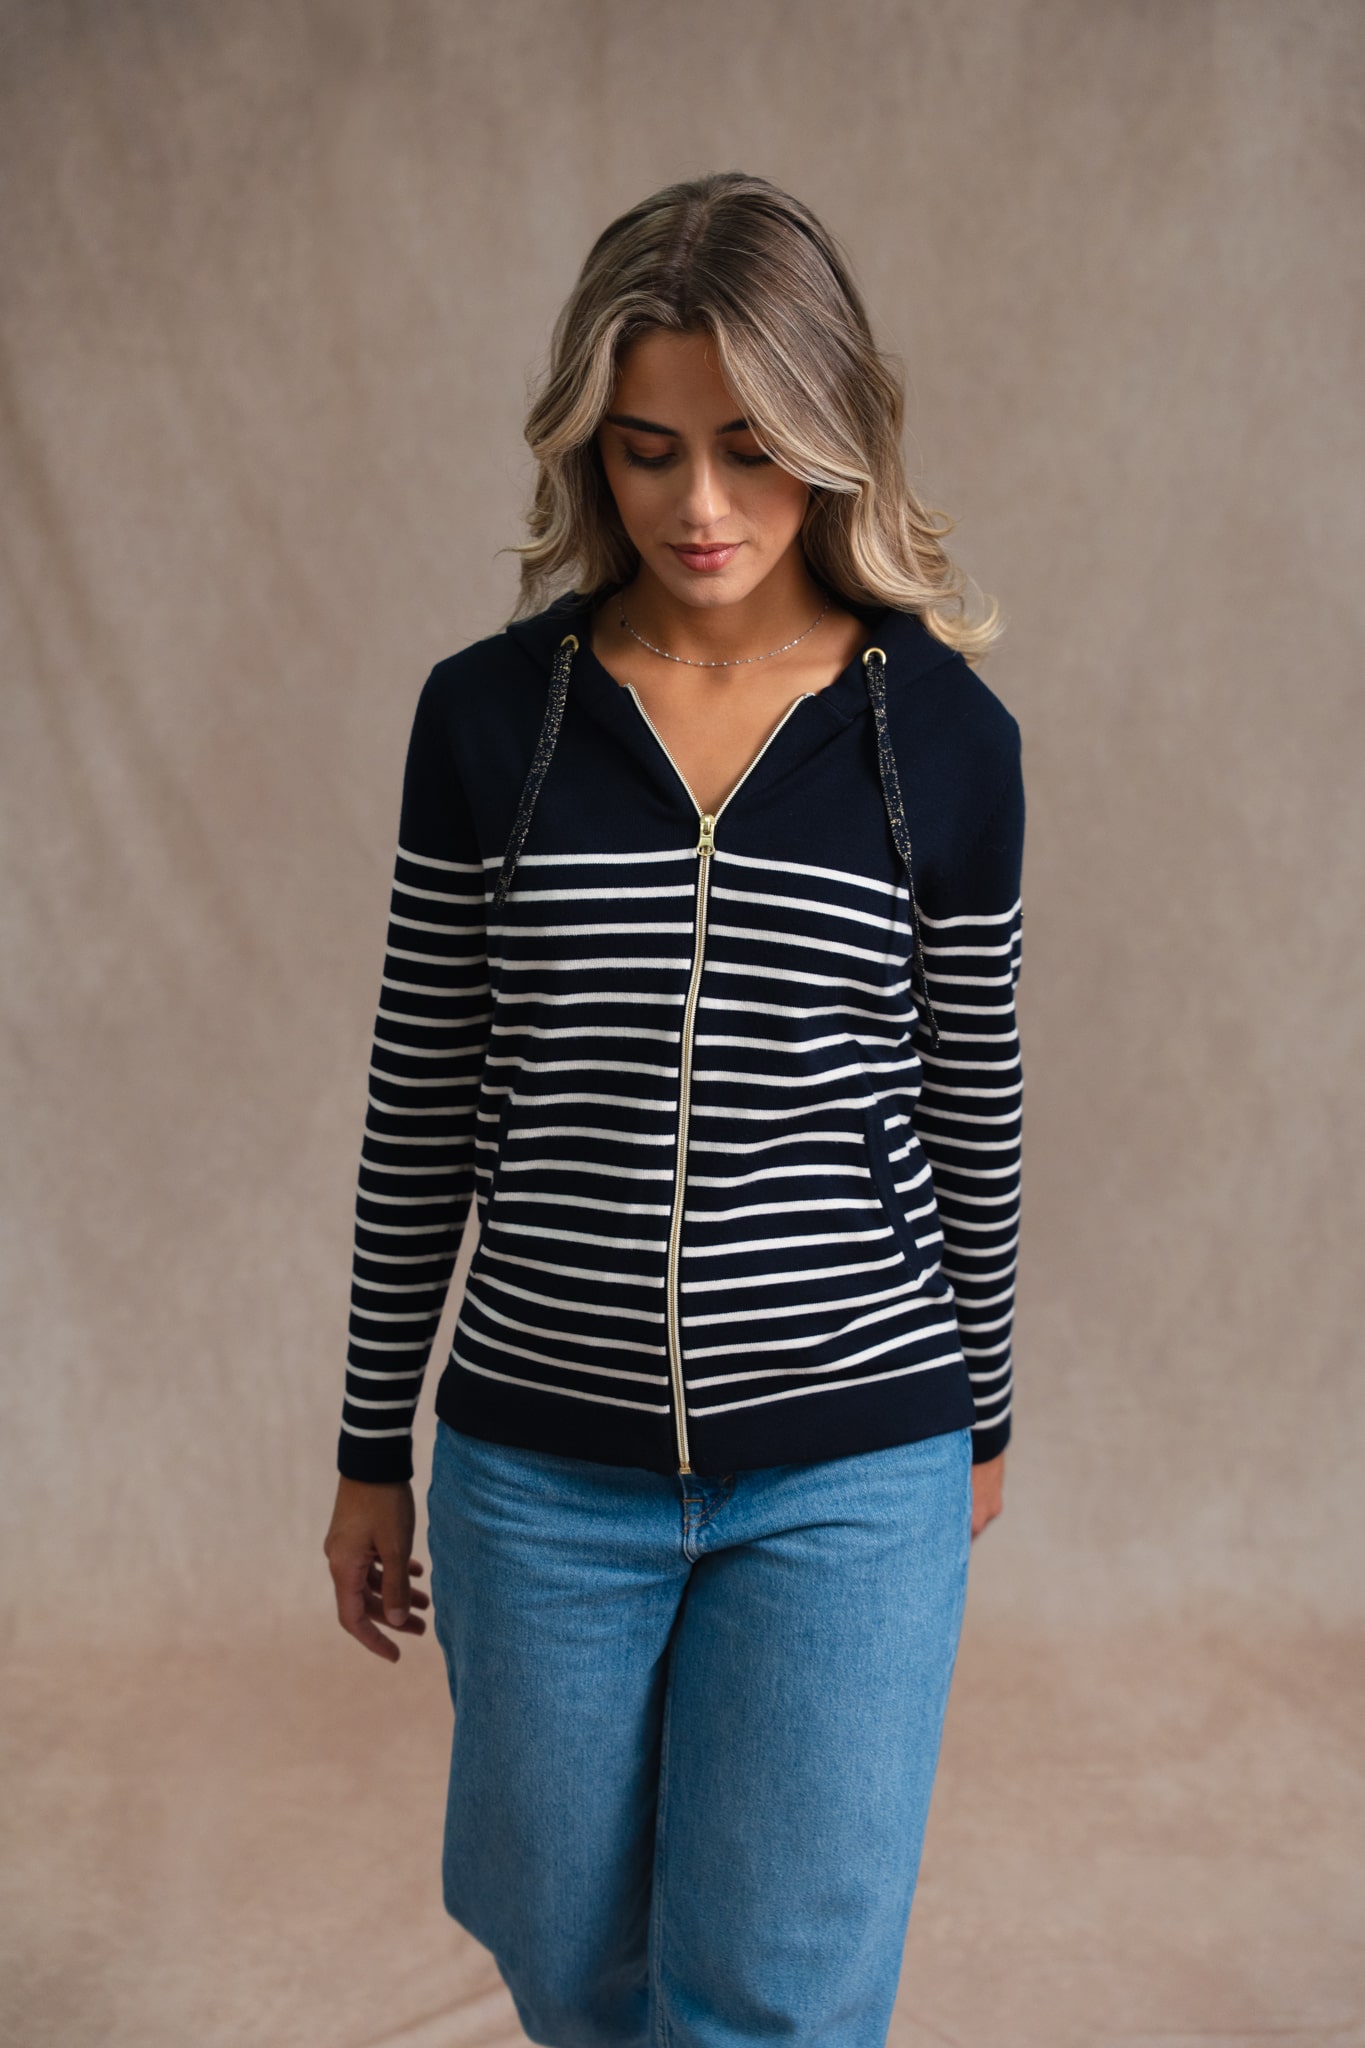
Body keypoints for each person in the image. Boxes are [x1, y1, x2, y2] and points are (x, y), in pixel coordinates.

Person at [324, 170, 1025, 2048]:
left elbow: (973, 1103)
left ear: (831, 437)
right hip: (538, 1468)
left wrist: (980, 1412)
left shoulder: (939, 740)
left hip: (852, 1457)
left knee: (769, 1999)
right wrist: (370, 1444)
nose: (700, 505)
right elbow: (420, 1097)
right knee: (556, 1937)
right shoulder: (494, 722)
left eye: (750, 448)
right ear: (591, 447)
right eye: (649, 451)